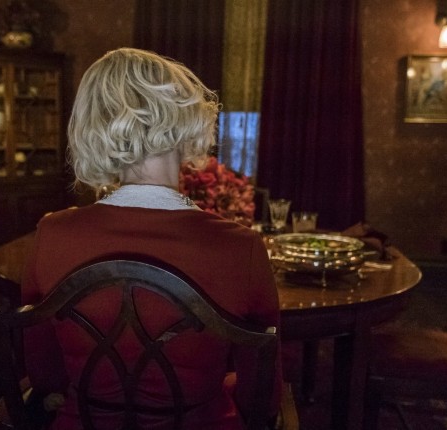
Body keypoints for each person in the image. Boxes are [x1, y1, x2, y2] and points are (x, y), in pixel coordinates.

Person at [21, 47, 281, 430]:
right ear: (186, 118)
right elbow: (262, 397)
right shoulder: (241, 247)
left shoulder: (52, 235)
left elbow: (45, 377)